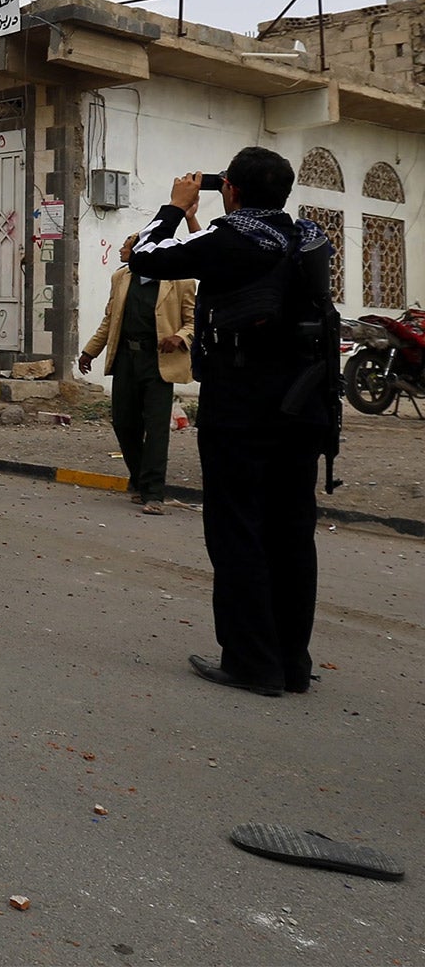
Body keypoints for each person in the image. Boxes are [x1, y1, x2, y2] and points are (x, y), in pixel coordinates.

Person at [126, 147, 338, 698]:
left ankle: (251, 662)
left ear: (234, 191)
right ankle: (292, 662)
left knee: (238, 528)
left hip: (241, 407)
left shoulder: (230, 238)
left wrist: (175, 206)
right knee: (292, 532)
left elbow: (146, 255)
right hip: (305, 407)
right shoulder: (310, 241)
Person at [80, 232, 197, 514]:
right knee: (123, 422)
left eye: (127, 246)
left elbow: (195, 321)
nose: (122, 249)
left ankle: (153, 493)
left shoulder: (180, 281)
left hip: (159, 361)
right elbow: (111, 320)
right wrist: (89, 352)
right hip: (126, 359)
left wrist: (180, 337)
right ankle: (141, 476)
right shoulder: (122, 278)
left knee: (157, 428)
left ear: (145, 251)